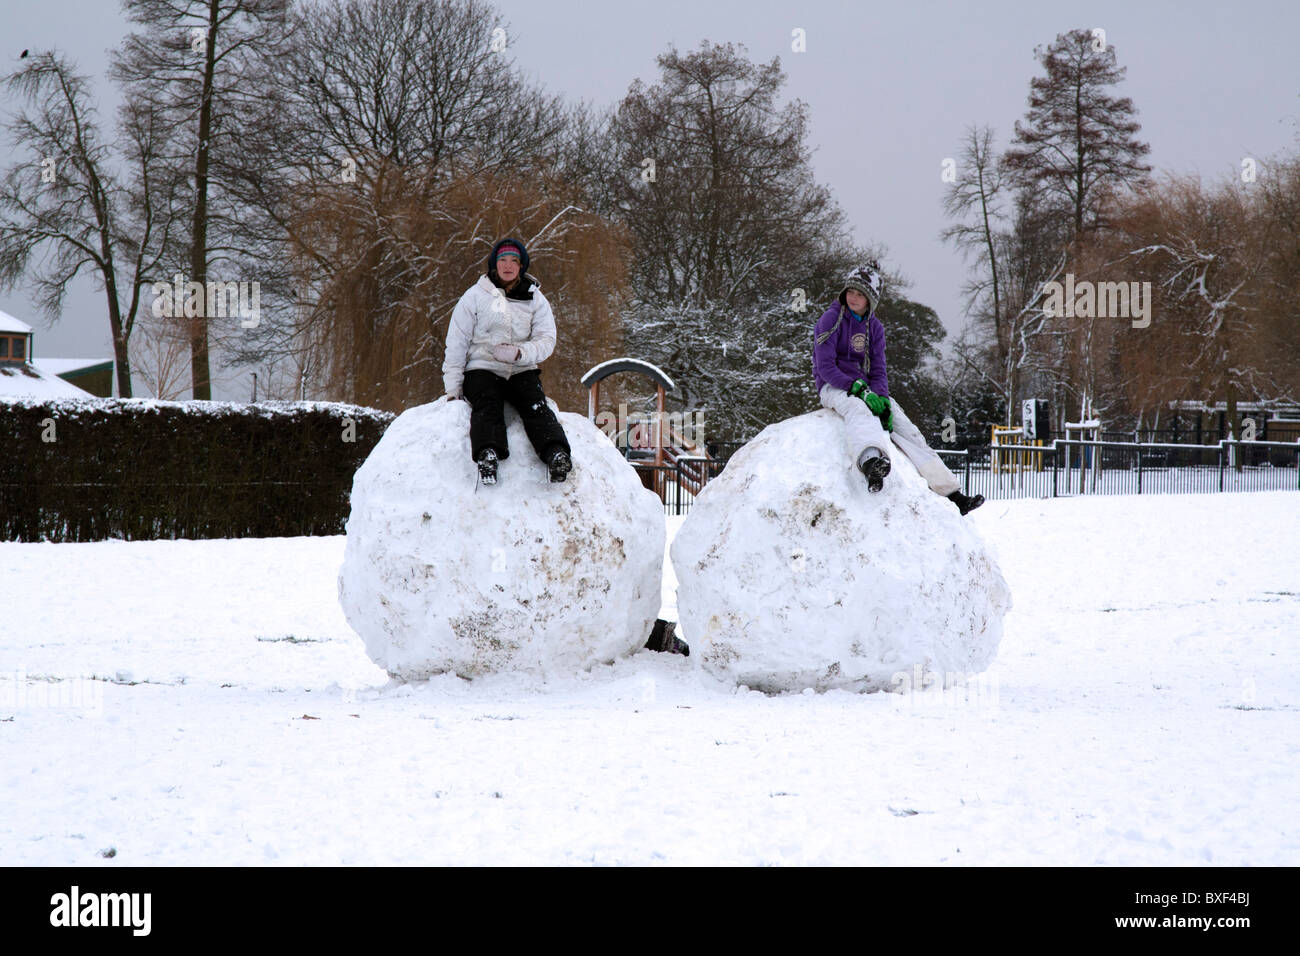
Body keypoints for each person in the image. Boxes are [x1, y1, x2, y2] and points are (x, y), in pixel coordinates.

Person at [813, 262, 984, 515]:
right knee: (858, 410)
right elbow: (825, 366)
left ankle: (952, 494)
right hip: (833, 386)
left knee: (905, 427)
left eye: (860, 294)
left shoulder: (875, 328)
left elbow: (879, 369)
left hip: (866, 389)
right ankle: (872, 463)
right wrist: (857, 388)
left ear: (870, 300)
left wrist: (881, 398)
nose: (854, 298)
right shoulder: (831, 319)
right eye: (851, 292)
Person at [443, 237, 572, 484]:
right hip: (482, 367)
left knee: (536, 405)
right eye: (503, 260)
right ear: (494, 264)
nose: (508, 265)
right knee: (488, 403)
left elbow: (547, 339)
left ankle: (556, 454)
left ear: (521, 265)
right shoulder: (475, 296)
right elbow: (457, 341)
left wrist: (520, 353)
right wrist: (453, 388)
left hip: (521, 368)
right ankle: (487, 454)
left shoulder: (535, 298)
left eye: (514, 260)